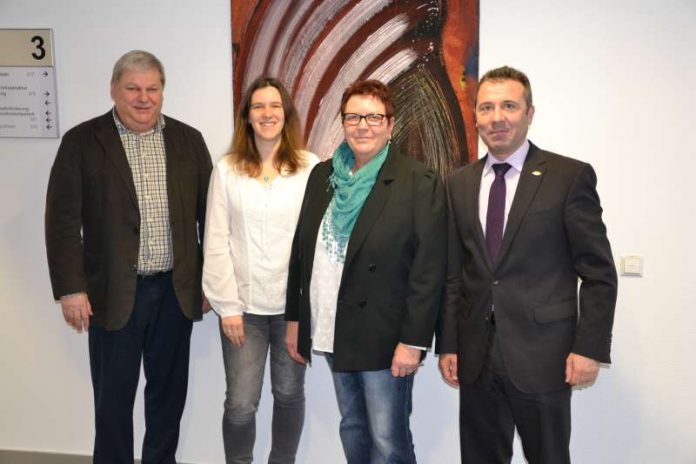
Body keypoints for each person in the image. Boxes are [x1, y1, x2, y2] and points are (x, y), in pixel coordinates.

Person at [437, 65, 618, 464]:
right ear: (476, 116)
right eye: (486, 107)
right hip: (476, 356)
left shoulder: (568, 177)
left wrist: (589, 348)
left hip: (545, 355)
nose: (496, 117)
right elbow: (455, 272)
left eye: (508, 106)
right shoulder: (458, 183)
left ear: (529, 113)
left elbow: (599, 272)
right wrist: (448, 343)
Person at [45, 50, 212, 464]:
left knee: (167, 398)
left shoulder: (188, 140)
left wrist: (210, 282)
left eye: (152, 88)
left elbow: (211, 219)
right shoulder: (83, 142)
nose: (143, 98)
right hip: (112, 295)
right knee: (113, 403)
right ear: (114, 90)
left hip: (175, 291)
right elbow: (63, 221)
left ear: (162, 91)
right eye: (133, 88)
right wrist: (71, 289)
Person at [285, 79, 447, 464]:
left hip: (384, 337)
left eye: (374, 117)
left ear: (391, 124)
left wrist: (413, 341)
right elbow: (301, 253)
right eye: (353, 116)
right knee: (352, 427)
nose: (363, 125)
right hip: (331, 326)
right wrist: (296, 319)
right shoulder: (322, 176)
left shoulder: (417, 182)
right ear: (342, 122)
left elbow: (429, 269)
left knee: (388, 438)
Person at [203, 76, 318, 464]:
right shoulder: (228, 170)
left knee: (288, 395)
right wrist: (227, 306)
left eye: (274, 106)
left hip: (291, 312)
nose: (267, 113)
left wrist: (304, 309)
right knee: (240, 404)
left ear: (286, 114)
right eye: (258, 107)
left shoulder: (310, 168)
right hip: (244, 311)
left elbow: (315, 243)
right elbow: (216, 239)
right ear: (247, 117)